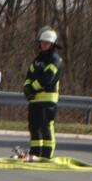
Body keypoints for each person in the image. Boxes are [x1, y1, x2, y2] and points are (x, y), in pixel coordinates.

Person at [25, 28, 63, 160]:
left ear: (52, 45)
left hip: (48, 100)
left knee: (46, 127)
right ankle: (35, 152)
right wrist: (26, 88)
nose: (44, 45)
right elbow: (29, 75)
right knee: (34, 127)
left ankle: (47, 154)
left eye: (47, 43)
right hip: (34, 100)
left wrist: (32, 88)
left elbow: (47, 79)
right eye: (42, 42)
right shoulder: (37, 60)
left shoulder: (55, 60)